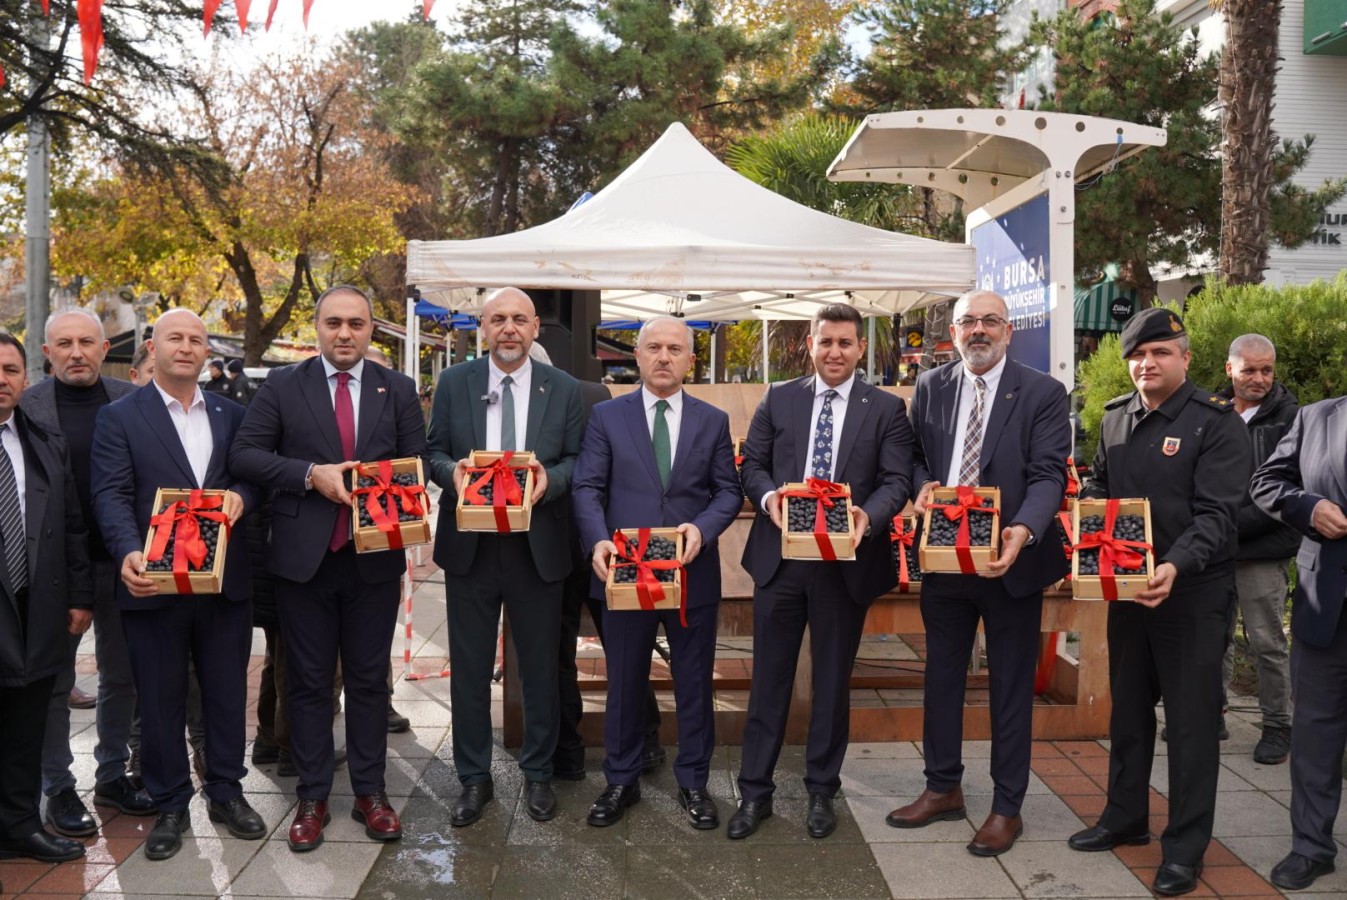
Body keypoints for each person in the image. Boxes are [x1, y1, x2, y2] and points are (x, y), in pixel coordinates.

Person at [230, 285, 425, 852]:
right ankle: (312, 795)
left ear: (371, 330)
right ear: (317, 327)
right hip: (303, 561)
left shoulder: (399, 390)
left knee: (368, 682)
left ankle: (371, 792)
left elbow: (413, 463)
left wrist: (401, 490)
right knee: (309, 683)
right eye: (334, 323)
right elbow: (245, 455)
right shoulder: (284, 386)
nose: (345, 333)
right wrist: (310, 472)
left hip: (373, 559)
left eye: (357, 324)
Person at [1067, 308, 1250, 898]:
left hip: (1191, 595)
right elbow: (1098, 482)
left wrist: (1174, 565)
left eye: (1161, 353)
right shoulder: (1117, 417)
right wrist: (1088, 513)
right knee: (1127, 714)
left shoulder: (1216, 423)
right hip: (1127, 593)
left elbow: (1219, 516)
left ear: (1186, 358)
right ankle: (1125, 818)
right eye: (1138, 356)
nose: (1147, 364)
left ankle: (1185, 848)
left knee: (1192, 727)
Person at [886, 290, 1070, 856]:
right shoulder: (932, 385)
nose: (978, 331)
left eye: (990, 321)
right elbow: (917, 454)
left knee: (1010, 687)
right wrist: (920, 484)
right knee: (940, 677)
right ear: (954, 330)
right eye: (968, 321)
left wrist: (1024, 530)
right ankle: (942, 788)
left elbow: (1048, 475)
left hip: (1010, 561)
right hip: (945, 560)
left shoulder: (1043, 391)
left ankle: (1006, 806)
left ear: (1008, 331)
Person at [730, 303, 913, 840]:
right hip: (781, 561)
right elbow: (752, 466)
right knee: (769, 681)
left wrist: (867, 516)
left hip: (845, 564)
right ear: (809, 344)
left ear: (861, 349)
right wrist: (769, 501)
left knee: (832, 683)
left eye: (845, 343)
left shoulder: (885, 409)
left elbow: (897, 480)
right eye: (826, 341)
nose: (835, 351)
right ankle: (754, 792)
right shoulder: (779, 398)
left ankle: (820, 791)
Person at [90, 309, 265, 861]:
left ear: (206, 351)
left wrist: (244, 495)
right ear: (152, 347)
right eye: (175, 338)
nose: (186, 347)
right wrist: (127, 551)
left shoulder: (233, 414)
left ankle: (226, 793)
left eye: (196, 339)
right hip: (154, 584)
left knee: (225, 693)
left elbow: (251, 475)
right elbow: (111, 495)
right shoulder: (119, 418)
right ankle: (169, 803)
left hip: (223, 584)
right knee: (161, 698)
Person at [572, 317, 743, 829]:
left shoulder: (712, 421)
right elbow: (586, 488)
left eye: (674, 348)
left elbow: (728, 491)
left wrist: (703, 528)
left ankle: (694, 782)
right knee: (624, 682)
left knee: (693, 683)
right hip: (625, 573)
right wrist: (598, 539)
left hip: (691, 574)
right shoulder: (606, 416)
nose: (664, 357)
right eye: (654, 348)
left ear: (690, 359)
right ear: (638, 357)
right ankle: (620, 780)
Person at [425, 287, 583, 827]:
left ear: (536, 327)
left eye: (519, 318)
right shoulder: (453, 383)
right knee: (468, 669)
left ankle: (538, 774)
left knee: (540, 667)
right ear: (483, 328)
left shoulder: (563, 389)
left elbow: (579, 460)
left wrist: (548, 480)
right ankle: (473, 778)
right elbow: (433, 452)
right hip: (471, 546)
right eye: (498, 319)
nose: (509, 328)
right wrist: (455, 475)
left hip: (536, 546)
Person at [20, 309, 151, 840]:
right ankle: (58, 785)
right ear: (47, 353)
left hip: (124, 564)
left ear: (104, 348)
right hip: (51, 573)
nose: (77, 352)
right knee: (55, 681)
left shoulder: (133, 401)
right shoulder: (25, 408)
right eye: (64, 344)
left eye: (87, 342)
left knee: (123, 678)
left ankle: (111, 774)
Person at [0, 333, 94, 865]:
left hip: (37, 605)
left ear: (26, 378)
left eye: (11, 370)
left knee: (26, 722)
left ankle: (19, 825)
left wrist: (80, 594)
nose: (1, 380)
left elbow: (72, 524)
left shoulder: (42, 438)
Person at [1250, 394, 1347, 890]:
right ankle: (1311, 847)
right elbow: (1266, 482)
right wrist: (1309, 506)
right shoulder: (1317, 417)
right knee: (1315, 734)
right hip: (1325, 605)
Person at [1218, 334, 1297, 765]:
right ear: (1230, 369)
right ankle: (1212, 714)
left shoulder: (1292, 418)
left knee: (1267, 641)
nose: (1260, 378)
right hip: (1213, 547)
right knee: (1214, 636)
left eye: (1267, 369)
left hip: (1261, 549)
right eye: (1249, 369)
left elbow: (1287, 490)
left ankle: (1277, 726)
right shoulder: (1212, 410)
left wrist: (1226, 527)